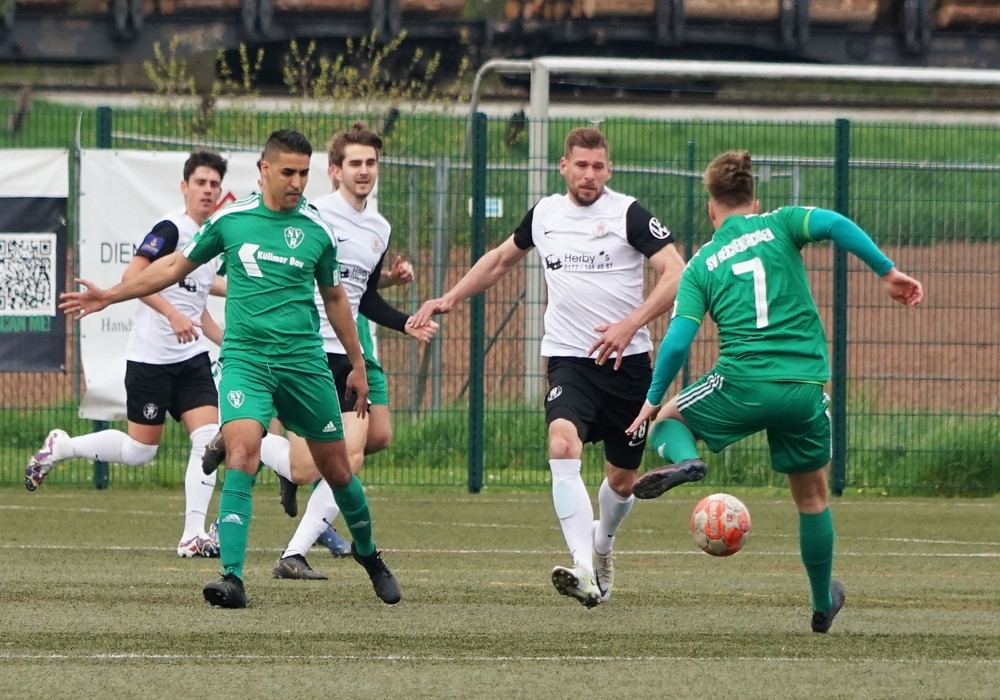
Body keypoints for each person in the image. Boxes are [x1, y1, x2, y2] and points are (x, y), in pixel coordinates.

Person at [59, 129, 403, 609]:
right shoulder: (231, 220)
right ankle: (233, 578)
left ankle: (368, 553)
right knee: (242, 454)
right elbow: (173, 267)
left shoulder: (318, 229)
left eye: (304, 173)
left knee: (338, 470)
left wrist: (358, 364)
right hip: (246, 361)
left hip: (304, 364)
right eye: (288, 172)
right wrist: (110, 295)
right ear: (265, 170)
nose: (297, 182)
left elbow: (336, 299)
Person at [625, 150, 924, 632]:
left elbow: (678, 339)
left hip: (742, 381)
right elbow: (834, 224)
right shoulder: (781, 223)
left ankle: (687, 460)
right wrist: (887, 272)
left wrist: (653, 398)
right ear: (754, 200)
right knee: (812, 497)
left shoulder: (701, 264)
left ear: (711, 208)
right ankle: (821, 604)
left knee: (669, 421)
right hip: (804, 388)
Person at [410, 126, 688, 607]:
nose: (589, 175)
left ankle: (602, 546)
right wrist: (449, 297)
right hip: (569, 361)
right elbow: (500, 260)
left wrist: (630, 324)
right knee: (562, 443)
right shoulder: (545, 214)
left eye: (598, 166)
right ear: (564, 166)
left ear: (609, 169)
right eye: (581, 165)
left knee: (622, 482)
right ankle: (582, 567)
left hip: (627, 365)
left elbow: (676, 272)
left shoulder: (628, 213)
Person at [201, 122, 436, 580]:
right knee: (342, 459)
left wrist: (403, 317)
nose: (364, 171)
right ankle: (295, 549)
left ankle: (261, 456)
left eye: (371, 163)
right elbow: (301, 280)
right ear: (334, 171)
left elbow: (358, 294)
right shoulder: (313, 214)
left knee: (378, 437)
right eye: (355, 163)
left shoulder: (379, 228)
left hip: (352, 348)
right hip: (309, 350)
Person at [25, 150, 229, 559]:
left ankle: (193, 533)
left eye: (214, 184)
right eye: (200, 182)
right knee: (141, 451)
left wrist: (230, 342)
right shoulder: (170, 229)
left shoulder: (211, 239)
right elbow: (133, 277)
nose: (207, 190)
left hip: (191, 361)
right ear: (184, 186)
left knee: (208, 438)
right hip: (151, 359)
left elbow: (198, 307)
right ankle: (62, 446)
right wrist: (171, 314)